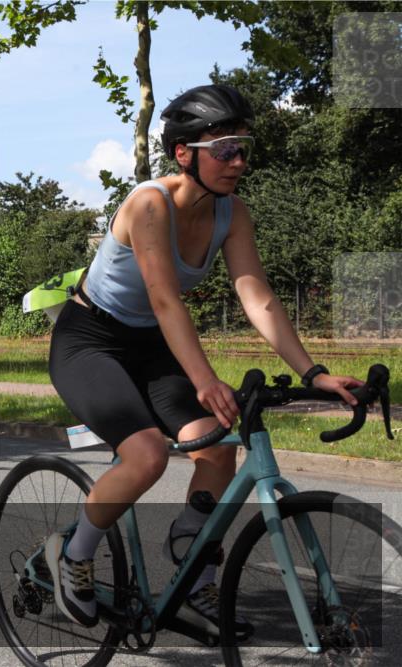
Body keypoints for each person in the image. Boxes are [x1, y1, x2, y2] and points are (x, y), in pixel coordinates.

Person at [45, 84, 363, 634]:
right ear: (183, 153)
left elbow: (256, 295)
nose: (238, 161)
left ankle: (192, 577)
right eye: (225, 149)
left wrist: (313, 372)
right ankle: (73, 553)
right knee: (144, 456)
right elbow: (166, 298)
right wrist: (206, 378)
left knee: (217, 447)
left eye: (244, 149)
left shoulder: (232, 213)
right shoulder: (149, 203)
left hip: (150, 345)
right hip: (89, 339)